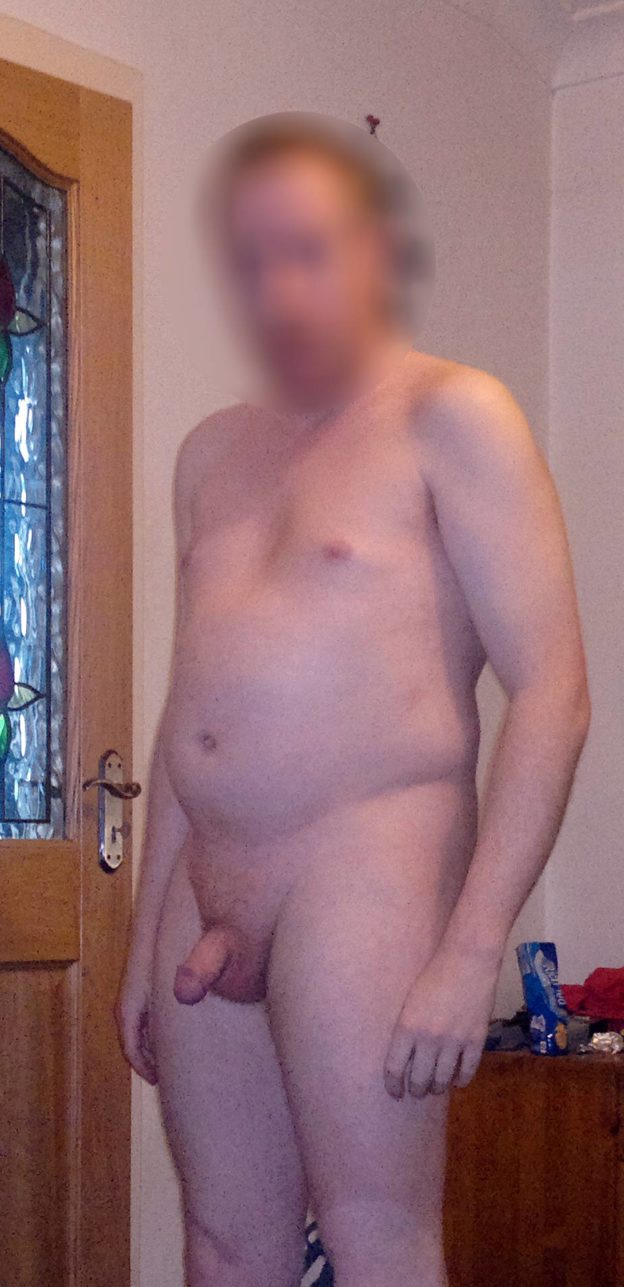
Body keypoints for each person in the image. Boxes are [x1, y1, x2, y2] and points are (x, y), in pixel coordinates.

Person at [115, 112, 591, 1287]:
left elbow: (553, 692)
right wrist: (139, 941)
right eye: (251, 259)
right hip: (205, 884)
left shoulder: (455, 415)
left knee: (378, 1238)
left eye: (309, 251)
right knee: (225, 1243)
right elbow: (187, 716)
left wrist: (469, 949)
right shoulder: (210, 452)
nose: (278, 287)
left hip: (366, 868)